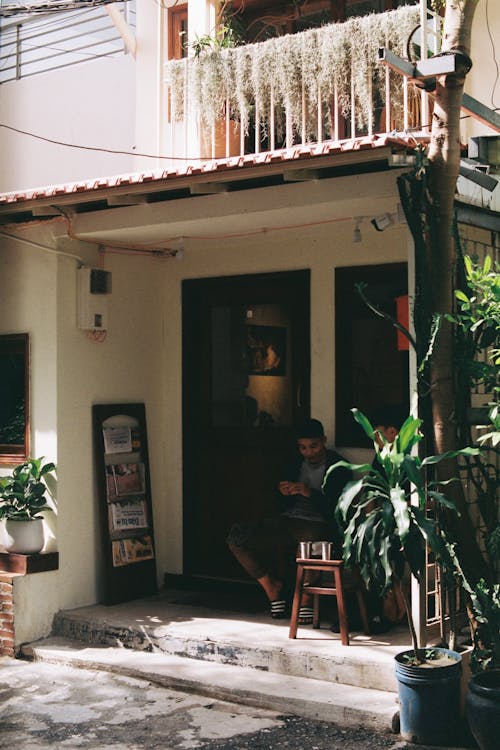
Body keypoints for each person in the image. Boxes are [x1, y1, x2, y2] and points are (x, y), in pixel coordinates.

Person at [227, 418, 351, 621]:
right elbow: (275, 499)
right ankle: (271, 587)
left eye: (314, 446)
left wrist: (310, 494)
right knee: (237, 536)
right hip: (289, 520)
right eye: (303, 447)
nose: (309, 452)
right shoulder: (293, 462)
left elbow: (338, 507)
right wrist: (283, 491)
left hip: (319, 524)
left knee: (311, 541)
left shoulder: (338, 465)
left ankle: (306, 598)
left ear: (324, 441)